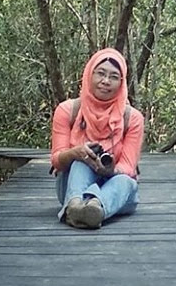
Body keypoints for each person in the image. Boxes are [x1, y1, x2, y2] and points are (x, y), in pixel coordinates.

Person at [50, 48, 144, 229]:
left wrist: (109, 170)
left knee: (125, 180)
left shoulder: (132, 118)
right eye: (100, 73)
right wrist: (76, 153)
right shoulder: (67, 110)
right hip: (72, 188)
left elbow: (128, 166)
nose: (106, 81)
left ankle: (92, 207)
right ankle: (80, 207)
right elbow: (56, 160)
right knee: (81, 161)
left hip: (117, 190)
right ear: (88, 74)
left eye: (114, 77)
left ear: (122, 83)